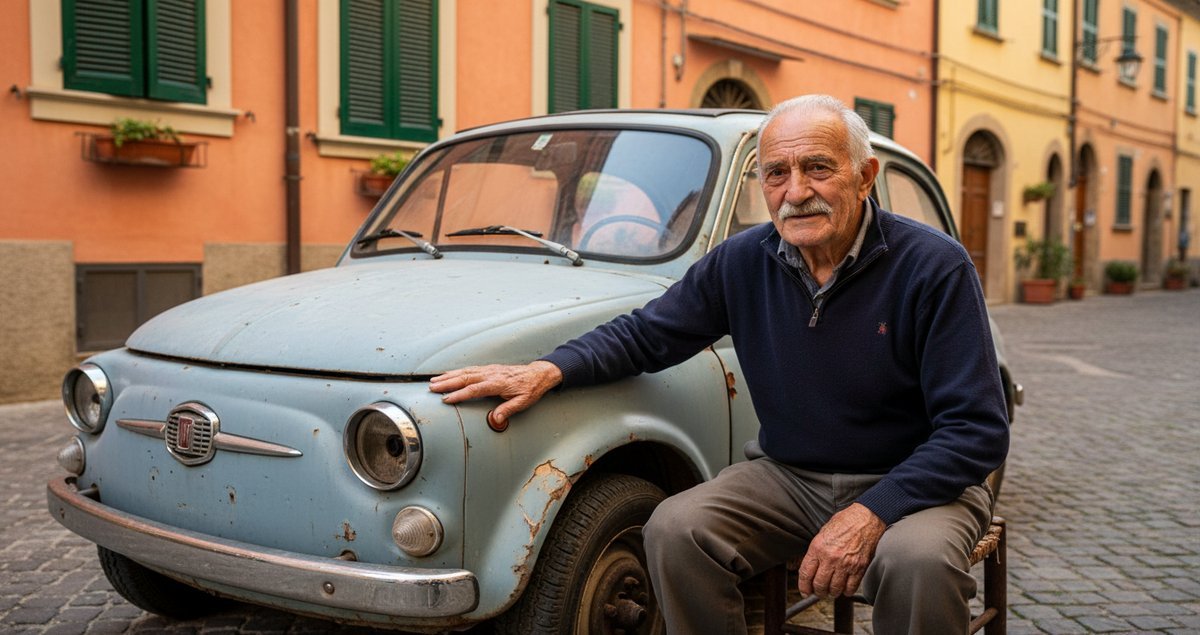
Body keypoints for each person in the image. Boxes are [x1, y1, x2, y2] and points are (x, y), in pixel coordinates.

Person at [430, 94, 1009, 634]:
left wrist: (871, 513)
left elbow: (976, 431)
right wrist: (548, 371)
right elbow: (648, 334)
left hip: (917, 483)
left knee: (918, 564)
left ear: (864, 176)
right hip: (792, 476)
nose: (795, 190)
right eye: (776, 173)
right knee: (676, 530)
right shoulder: (742, 260)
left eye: (818, 169)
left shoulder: (935, 266)